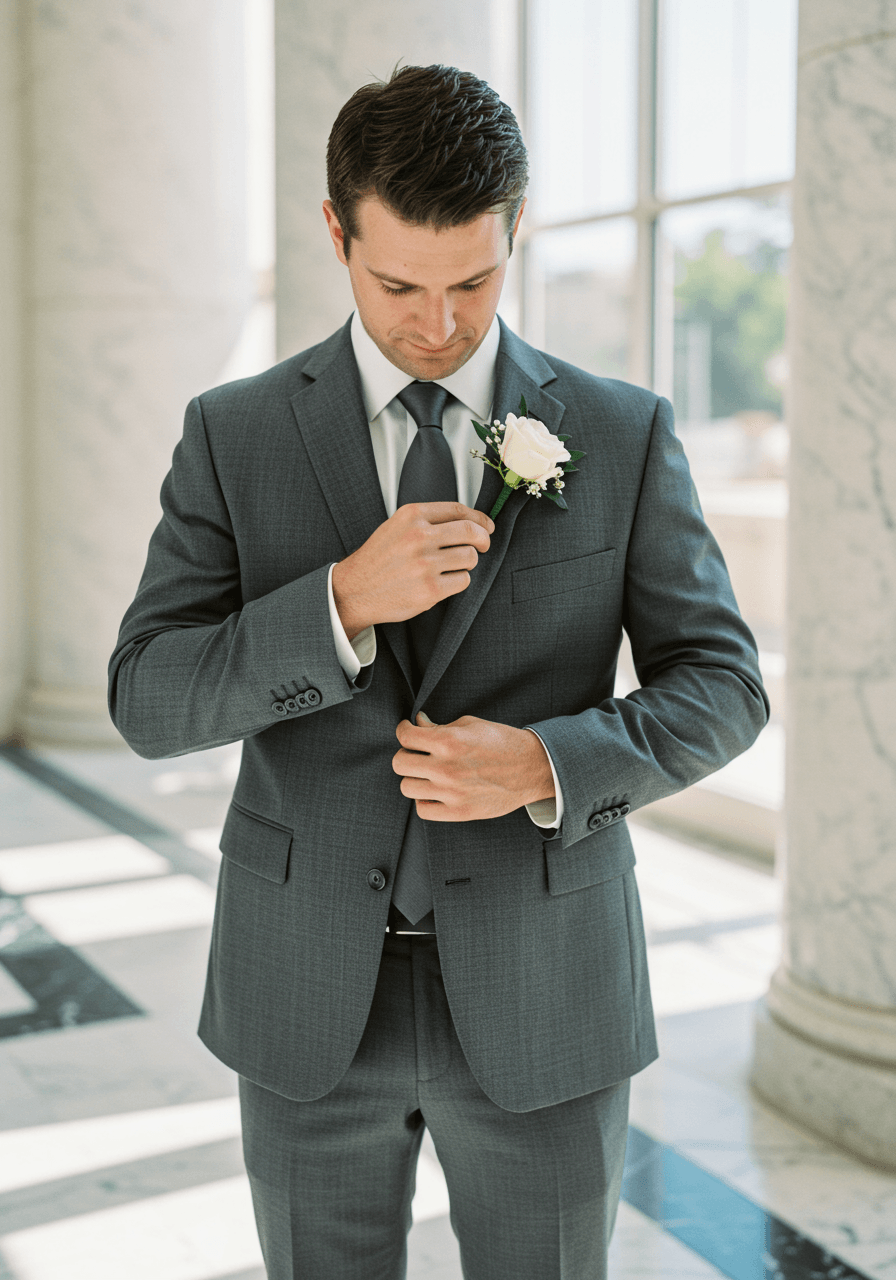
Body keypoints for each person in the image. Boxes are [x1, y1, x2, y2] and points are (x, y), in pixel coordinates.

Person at [109, 63, 768, 1280]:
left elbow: (724, 684)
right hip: (306, 992)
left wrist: (546, 762)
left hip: (544, 990)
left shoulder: (620, 432)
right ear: (333, 232)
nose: (437, 322)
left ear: (515, 228)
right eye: (397, 282)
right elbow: (147, 695)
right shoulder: (232, 431)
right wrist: (338, 604)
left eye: (473, 279)